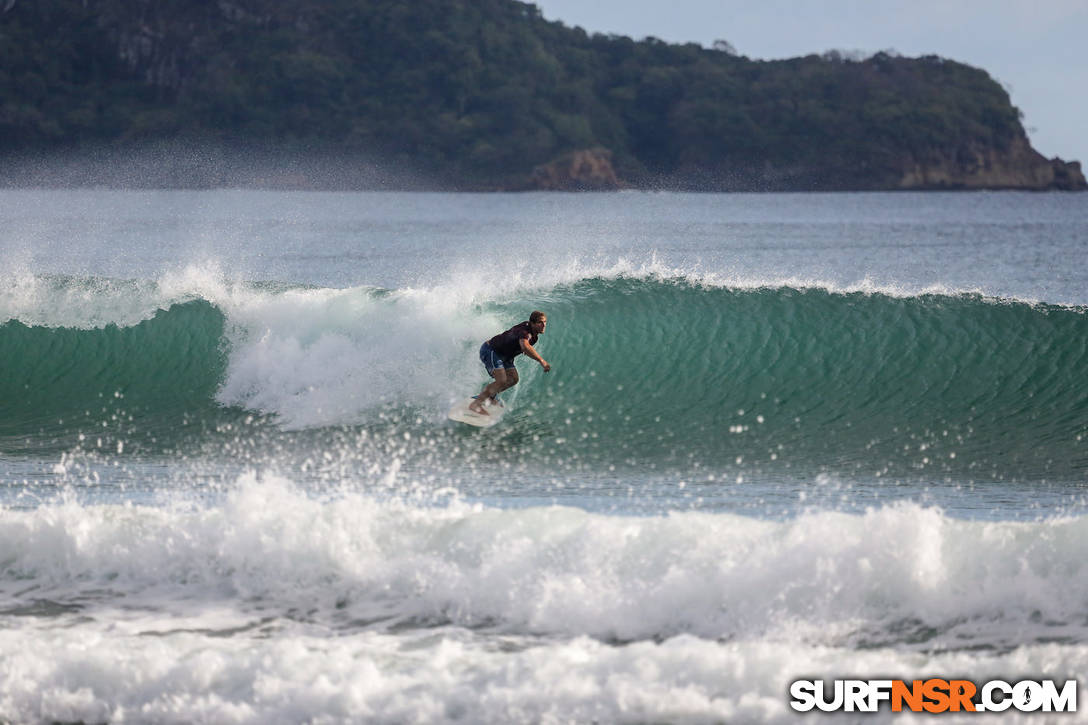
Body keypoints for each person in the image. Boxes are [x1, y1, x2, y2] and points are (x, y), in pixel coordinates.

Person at [470, 311, 550, 415]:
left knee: (513, 379)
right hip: (491, 350)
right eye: (540, 322)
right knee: (502, 380)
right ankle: (475, 405)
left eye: (545, 322)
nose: (544, 325)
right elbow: (525, 346)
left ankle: (489, 397)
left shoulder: (534, 337)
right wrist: (541, 361)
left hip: (505, 356)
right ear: (532, 323)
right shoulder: (524, 331)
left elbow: (524, 347)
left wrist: (524, 349)